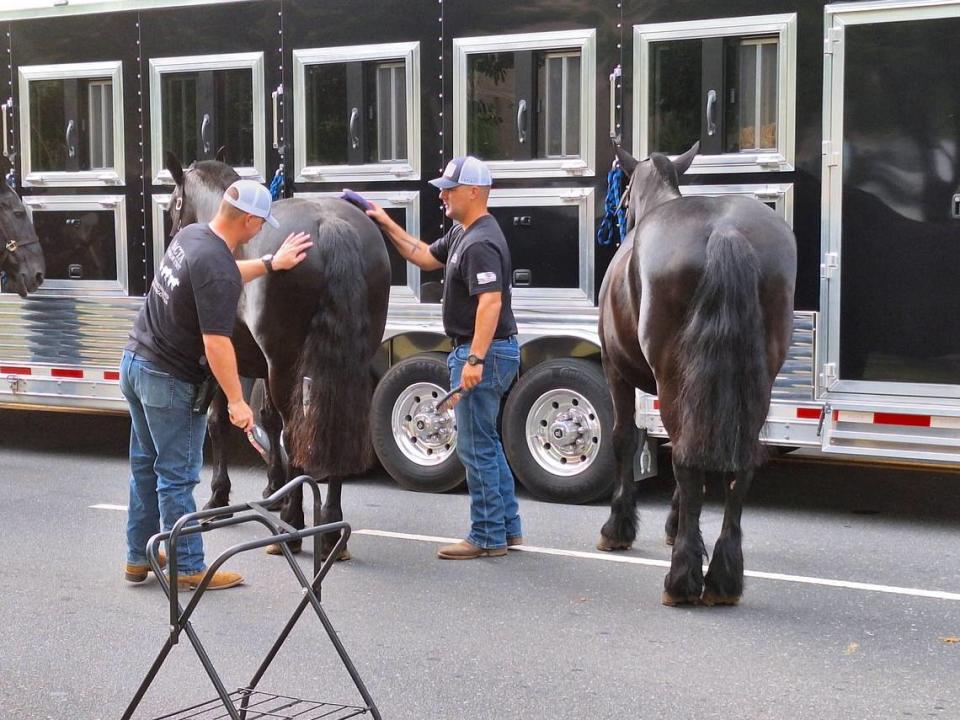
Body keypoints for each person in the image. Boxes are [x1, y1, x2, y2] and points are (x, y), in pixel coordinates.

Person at [121, 179, 312, 589]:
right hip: (168, 380)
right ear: (246, 219)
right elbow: (217, 343)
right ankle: (188, 566)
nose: (260, 231)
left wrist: (269, 263)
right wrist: (238, 401)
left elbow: (220, 273)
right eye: (260, 224)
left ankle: (138, 557)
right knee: (177, 476)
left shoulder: (193, 235)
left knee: (144, 468)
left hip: (136, 363)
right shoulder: (216, 266)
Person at [367, 156, 522, 560]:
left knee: (474, 447)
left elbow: (490, 303)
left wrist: (473, 360)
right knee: (486, 441)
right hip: (485, 351)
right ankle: (507, 527)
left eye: (449, 189)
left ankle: (487, 537)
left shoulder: (481, 241)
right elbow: (421, 255)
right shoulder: (462, 233)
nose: (442, 196)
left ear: (474, 192)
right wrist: (385, 221)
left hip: (482, 352)